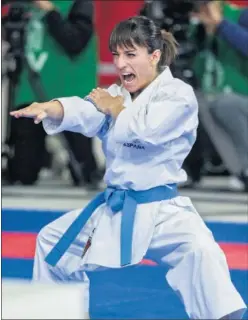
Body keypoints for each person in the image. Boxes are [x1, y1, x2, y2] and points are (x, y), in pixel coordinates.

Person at [10, 16, 246, 319]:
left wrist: (116, 108)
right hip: (116, 209)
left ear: (155, 55)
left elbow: (147, 132)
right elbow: (86, 110)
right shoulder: (118, 95)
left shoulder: (178, 95)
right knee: (53, 243)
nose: (121, 64)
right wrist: (49, 107)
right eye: (117, 55)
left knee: (203, 256)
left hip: (164, 213)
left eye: (130, 55)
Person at [5, 0, 101, 187]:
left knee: (83, 172)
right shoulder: (24, 5)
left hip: (69, 92)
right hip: (30, 90)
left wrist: (50, 12)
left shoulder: (78, 4)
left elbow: (75, 42)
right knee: (22, 172)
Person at [192, 1, 248, 191]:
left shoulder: (240, 16)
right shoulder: (199, 26)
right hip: (222, 95)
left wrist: (222, 24)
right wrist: (205, 34)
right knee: (200, 104)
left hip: (239, 96)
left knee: (225, 104)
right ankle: (241, 171)